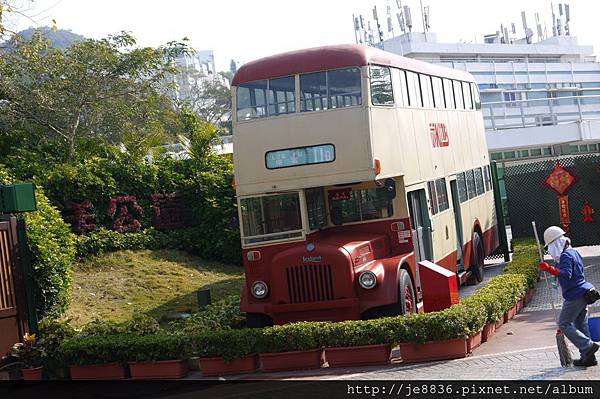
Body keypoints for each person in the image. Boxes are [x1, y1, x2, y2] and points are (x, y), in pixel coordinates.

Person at [539, 226, 600, 367]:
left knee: (564, 324)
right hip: (583, 292)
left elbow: (566, 274)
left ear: (556, 243)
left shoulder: (566, 256)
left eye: (550, 246)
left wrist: (549, 269)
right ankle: (588, 358)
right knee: (580, 324)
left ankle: (587, 346)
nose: (550, 250)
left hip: (575, 295)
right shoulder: (574, 252)